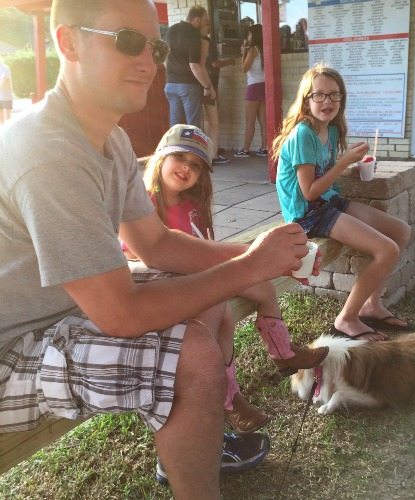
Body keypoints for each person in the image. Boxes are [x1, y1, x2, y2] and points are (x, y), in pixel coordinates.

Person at [0, 1, 319, 499]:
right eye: (128, 40)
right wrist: (251, 266)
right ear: (68, 43)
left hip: (63, 309)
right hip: (12, 349)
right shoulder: (47, 152)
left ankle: (189, 454)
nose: (149, 61)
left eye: (156, 45)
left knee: (208, 299)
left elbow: (155, 244)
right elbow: (120, 313)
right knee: (190, 356)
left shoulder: (112, 139)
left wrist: (256, 253)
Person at [124, 123, 329, 426]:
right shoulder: (143, 202)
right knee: (222, 311)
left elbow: (205, 248)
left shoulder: (192, 205)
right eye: (180, 157)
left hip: (199, 271)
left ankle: (283, 353)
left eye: (196, 165)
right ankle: (228, 398)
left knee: (264, 289)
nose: (186, 169)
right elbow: (135, 251)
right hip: (162, 281)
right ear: (161, 157)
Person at [273, 64, 412, 342]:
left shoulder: (332, 130)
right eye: (319, 95)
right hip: (307, 214)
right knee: (387, 250)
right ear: (306, 99)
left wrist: (353, 168)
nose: (327, 102)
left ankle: (372, 305)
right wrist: (343, 162)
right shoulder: (303, 133)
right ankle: (347, 318)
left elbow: (323, 175)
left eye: (334, 95)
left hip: (328, 201)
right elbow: (309, 191)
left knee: (400, 231)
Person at [165, 5, 215, 128]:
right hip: (188, 85)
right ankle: (193, 147)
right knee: (193, 126)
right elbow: (194, 65)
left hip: (170, 84)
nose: (205, 23)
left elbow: (165, 57)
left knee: (175, 126)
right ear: (197, 20)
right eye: (204, 21)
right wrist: (207, 87)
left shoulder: (171, 30)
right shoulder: (193, 34)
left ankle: (175, 147)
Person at [200, 22, 235, 165]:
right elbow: (214, 64)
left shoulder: (194, 42)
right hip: (209, 86)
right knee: (214, 123)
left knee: (207, 122)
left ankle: (206, 151)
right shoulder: (207, 42)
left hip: (197, 87)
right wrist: (230, 61)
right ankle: (212, 155)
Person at [234, 24, 267, 159]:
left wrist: (243, 53)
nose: (248, 36)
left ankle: (245, 149)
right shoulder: (265, 49)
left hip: (253, 87)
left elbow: (244, 68)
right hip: (264, 86)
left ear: (253, 35)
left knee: (250, 121)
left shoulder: (253, 50)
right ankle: (265, 148)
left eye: (249, 34)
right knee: (263, 121)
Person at [0, 60, 13, 125]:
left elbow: (4, 81)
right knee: (1, 118)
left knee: (8, 118)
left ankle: (8, 132)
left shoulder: (5, 68)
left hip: (6, 96)